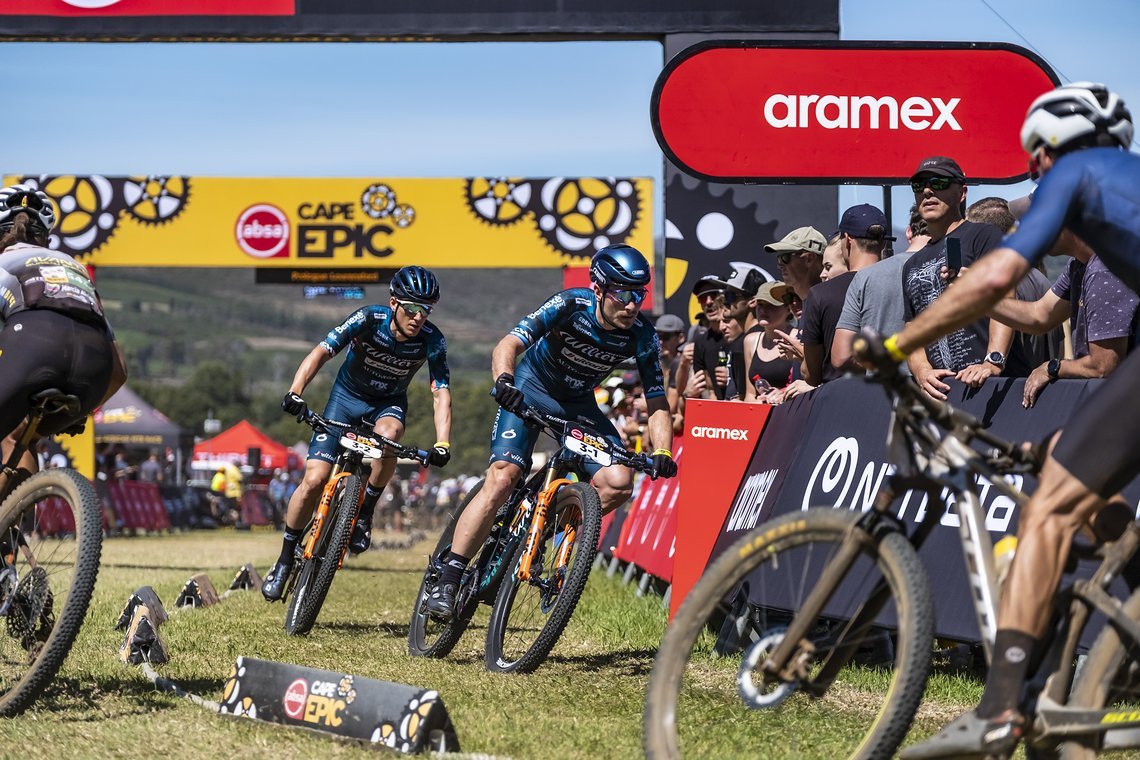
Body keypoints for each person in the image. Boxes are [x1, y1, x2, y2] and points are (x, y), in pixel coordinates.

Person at [866, 83, 1140, 759]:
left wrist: (900, 344)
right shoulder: (1119, 196)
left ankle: (997, 709)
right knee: (1059, 463)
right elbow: (1040, 314)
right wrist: (960, 303)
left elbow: (998, 279)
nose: (1034, 169)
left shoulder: (1078, 173)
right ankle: (1109, 606)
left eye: (1034, 157)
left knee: (1046, 509)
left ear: (1053, 147)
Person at [422, 243, 677, 619]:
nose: (631, 304)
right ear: (599, 288)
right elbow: (507, 344)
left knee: (619, 482)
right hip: (532, 387)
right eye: (622, 293)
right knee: (504, 477)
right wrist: (505, 381)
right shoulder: (569, 305)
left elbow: (657, 401)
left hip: (579, 405)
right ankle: (449, 574)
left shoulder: (642, 335)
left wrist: (663, 451)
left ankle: (537, 533)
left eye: (638, 294)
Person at [262, 265, 453, 602]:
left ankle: (364, 512)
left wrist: (442, 442)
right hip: (345, 401)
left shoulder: (432, 340)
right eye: (412, 308)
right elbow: (322, 351)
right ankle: (283, 558)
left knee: (391, 436)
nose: (419, 317)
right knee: (313, 481)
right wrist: (295, 392)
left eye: (426, 310)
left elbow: (440, 392)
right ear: (393, 303)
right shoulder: (368, 318)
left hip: (387, 406)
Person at [0, 184, 127, 485]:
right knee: (20, 438)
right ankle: (15, 528)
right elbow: (119, 371)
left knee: (7, 435)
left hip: (34, 344)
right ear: (45, 237)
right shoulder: (75, 269)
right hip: (94, 368)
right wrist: (82, 409)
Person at [900, 156, 1026, 400]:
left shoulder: (983, 236)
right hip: (947, 394)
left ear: (962, 192)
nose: (927, 191)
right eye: (919, 186)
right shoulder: (911, 265)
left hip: (993, 389)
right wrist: (922, 370)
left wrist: (993, 363)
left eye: (939, 183)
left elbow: (1007, 297)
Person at [801, 205, 889, 385]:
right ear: (884, 243)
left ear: (846, 240)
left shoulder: (820, 294)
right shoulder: (902, 282)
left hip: (840, 401)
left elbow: (812, 375)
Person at [742, 281, 797, 402]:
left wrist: (782, 394)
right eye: (760, 304)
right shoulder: (750, 341)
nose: (763, 310)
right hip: (759, 416)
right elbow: (750, 395)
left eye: (771, 305)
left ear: (788, 309)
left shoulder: (798, 338)